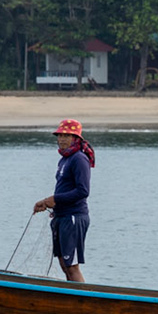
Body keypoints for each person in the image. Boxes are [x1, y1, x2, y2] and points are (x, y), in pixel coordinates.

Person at [33, 118, 93, 282]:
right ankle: (72, 294)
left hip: (73, 217)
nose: (62, 139)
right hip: (62, 216)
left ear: (76, 138)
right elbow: (64, 188)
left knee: (72, 266)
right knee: (64, 264)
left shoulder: (79, 159)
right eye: (59, 136)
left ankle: (81, 297)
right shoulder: (64, 159)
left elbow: (83, 191)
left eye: (67, 136)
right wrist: (47, 203)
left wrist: (55, 199)